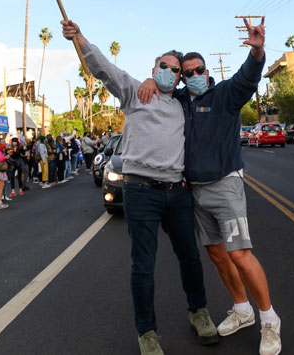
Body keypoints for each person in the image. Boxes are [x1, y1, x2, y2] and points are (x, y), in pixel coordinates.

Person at [61, 19, 217, 355]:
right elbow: (103, 69)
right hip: (140, 192)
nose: (170, 72)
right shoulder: (135, 91)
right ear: (153, 69)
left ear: (180, 78)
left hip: (177, 192)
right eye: (164, 67)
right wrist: (80, 38)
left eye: (175, 70)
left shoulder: (183, 103)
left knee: (190, 257)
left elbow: (208, 87)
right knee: (143, 265)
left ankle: (199, 312)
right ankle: (147, 333)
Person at [139, 17, 281, 355]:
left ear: (207, 71)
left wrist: (258, 51)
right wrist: (149, 78)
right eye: (187, 73)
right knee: (217, 254)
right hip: (196, 191)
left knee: (240, 255)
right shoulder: (181, 102)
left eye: (198, 70)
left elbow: (249, 76)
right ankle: (242, 309)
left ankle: (270, 320)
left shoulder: (225, 95)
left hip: (225, 186)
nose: (193, 75)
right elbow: (160, 86)